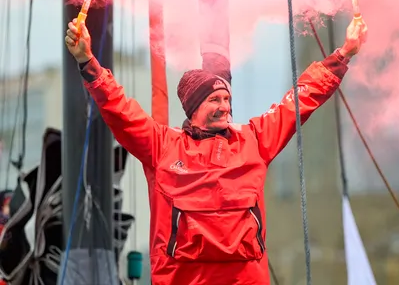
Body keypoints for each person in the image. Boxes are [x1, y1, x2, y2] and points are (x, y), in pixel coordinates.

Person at [64, 16, 367, 285]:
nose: (225, 107)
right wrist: (87, 61)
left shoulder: (254, 141)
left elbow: (298, 102)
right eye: (215, 100)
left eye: (227, 99)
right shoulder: (162, 146)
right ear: (194, 107)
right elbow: (119, 110)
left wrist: (344, 54)